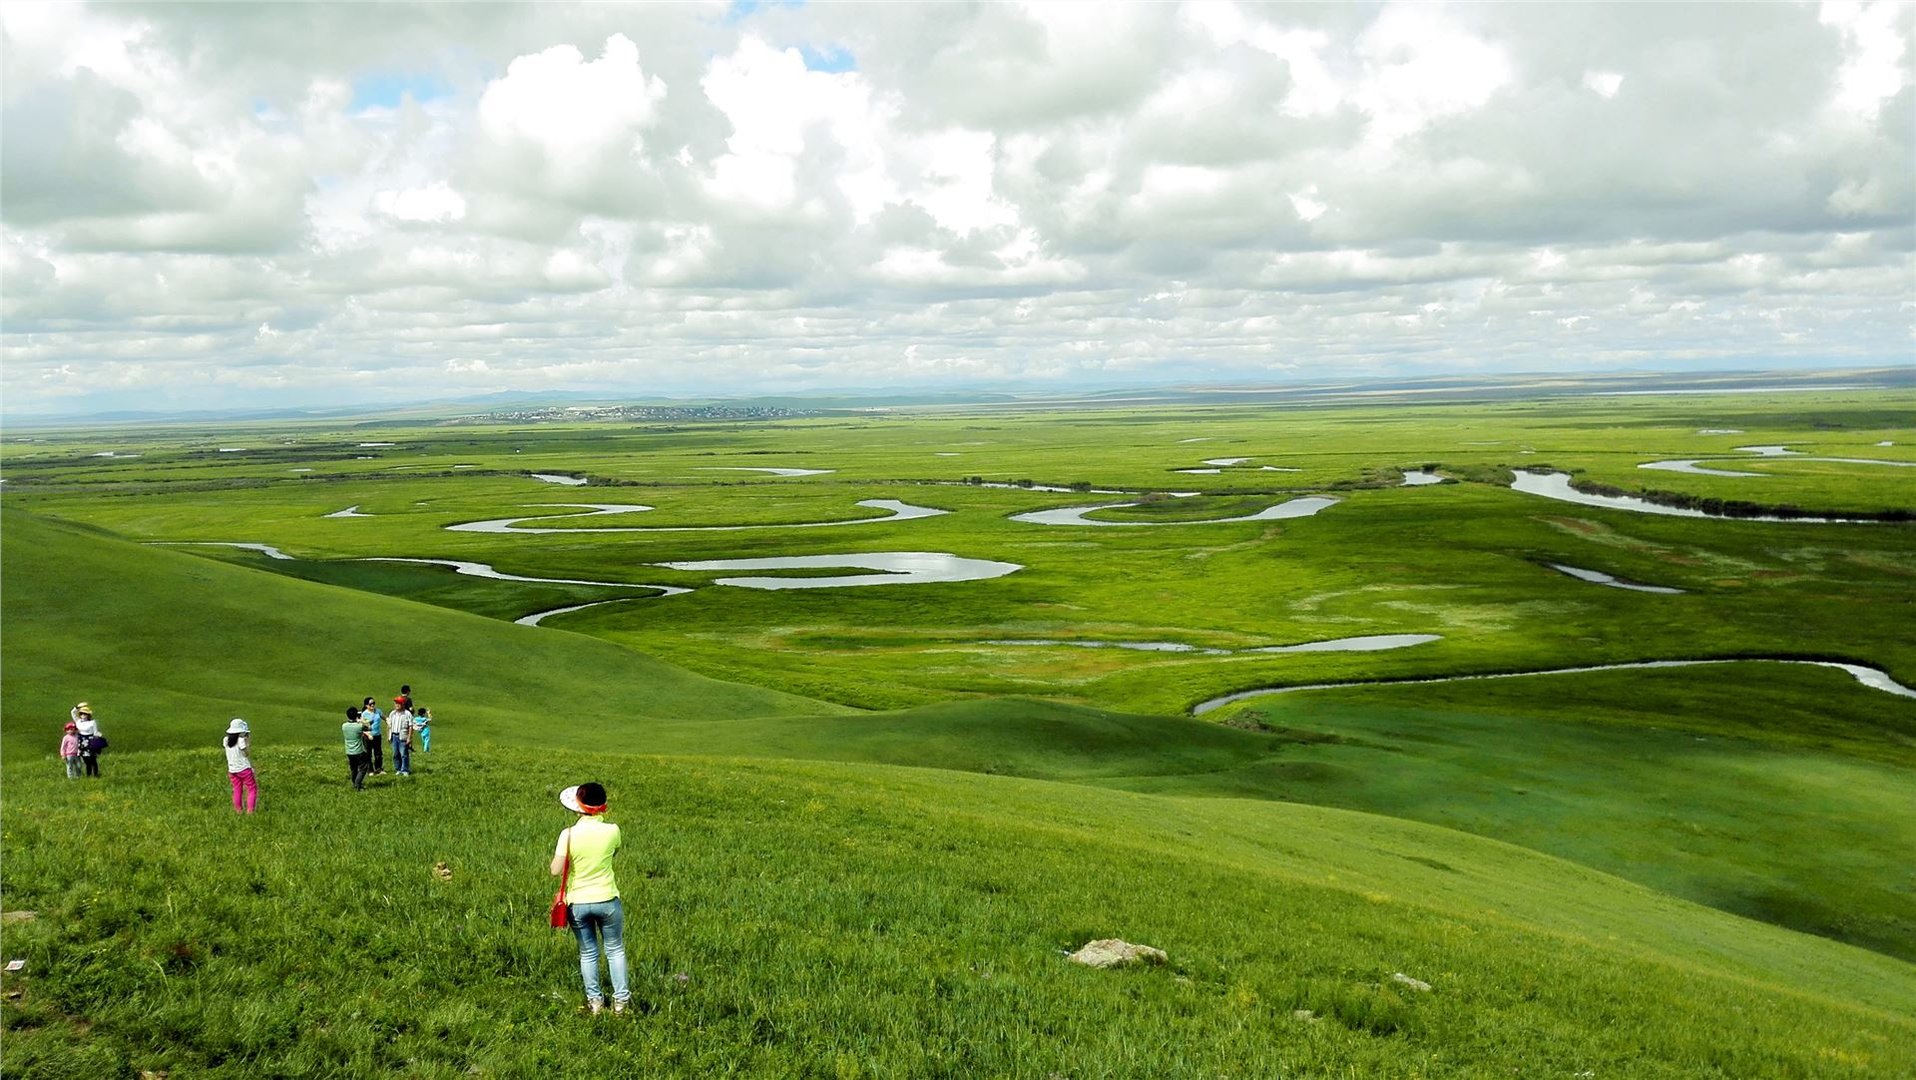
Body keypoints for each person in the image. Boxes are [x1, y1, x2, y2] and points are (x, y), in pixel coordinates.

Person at [550, 782, 629, 1015]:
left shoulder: (569, 834)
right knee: (615, 950)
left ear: (578, 806)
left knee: (588, 952)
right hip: (608, 899)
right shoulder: (613, 830)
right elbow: (613, 852)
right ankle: (621, 1003)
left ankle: (595, 1002)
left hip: (579, 902)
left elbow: (555, 870)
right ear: (603, 805)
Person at [224, 718, 260, 813]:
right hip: (244, 769)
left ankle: (238, 810)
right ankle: (250, 811)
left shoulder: (226, 740)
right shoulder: (241, 741)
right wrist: (247, 743)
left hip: (232, 769)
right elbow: (246, 753)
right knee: (252, 788)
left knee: (237, 789)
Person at [342, 707, 372, 790]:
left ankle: (354, 782)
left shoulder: (344, 726)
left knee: (353, 768)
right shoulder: (359, 726)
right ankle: (357, 784)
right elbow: (369, 728)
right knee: (363, 768)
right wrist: (362, 720)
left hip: (349, 751)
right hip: (359, 751)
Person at [72, 703, 104, 778]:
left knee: (92, 759)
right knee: (86, 760)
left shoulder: (92, 722)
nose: (83, 715)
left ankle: (95, 774)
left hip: (90, 741)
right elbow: (73, 713)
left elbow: (95, 732)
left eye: (85, 714)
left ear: (88, 715)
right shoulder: (78, 721)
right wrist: (77, 707)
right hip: (82, 742)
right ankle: (88, 775)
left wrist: (99, 737)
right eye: (82, 714)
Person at [388, 699, 414, 777]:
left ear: (402, 704)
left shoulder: (407, 714)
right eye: (396, 703)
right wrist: (388, 736)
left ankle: (405, 769)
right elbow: (389, 725)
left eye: (398, 703)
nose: (397, 705)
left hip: (402, 736)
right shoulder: (392, 713)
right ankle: (398, 769)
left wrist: (409, 737)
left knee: (404, 754)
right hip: (394, 735)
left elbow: (411, 726)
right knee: (395, 754)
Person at [361, 697, 385, 774]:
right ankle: (370, 770)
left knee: (378, 753)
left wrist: (388, 721)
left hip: (377, 735)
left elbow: (384, 717)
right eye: (370, 704)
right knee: (368, 754)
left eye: (373, 703)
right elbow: (362, 727)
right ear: (366, 705)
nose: (372, 705)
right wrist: (368, 735)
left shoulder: (378, 711)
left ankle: (379, 768)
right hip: (368, 736)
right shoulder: (364, 714)